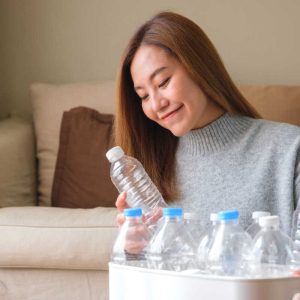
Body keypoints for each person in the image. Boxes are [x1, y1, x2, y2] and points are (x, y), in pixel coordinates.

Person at [114, 11, 300, 238]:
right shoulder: (149, 169)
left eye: (163, 82)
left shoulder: (289, 150)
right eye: (143, 96)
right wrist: (136, 251)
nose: (156, 104)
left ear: (198, 66)